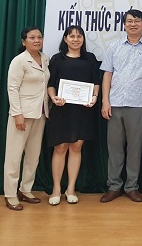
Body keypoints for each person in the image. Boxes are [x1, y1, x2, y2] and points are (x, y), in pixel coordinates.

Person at [99, 9, 142, 203]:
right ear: (124, 25)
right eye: (129, 21)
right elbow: (107, 74)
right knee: (114, 148)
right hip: (115, 103)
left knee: (135, 148)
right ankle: (114, 186)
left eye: (137, 21)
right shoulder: (114, 46)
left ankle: (132, 186)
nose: (133, 24)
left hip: (139, 103)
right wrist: (105, 101)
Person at [46, 25, 101, 205]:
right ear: (65, 39)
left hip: (83, 110)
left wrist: (94, 97)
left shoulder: (90, 58)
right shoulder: (57, 59)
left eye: (79, 36)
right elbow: (51, 84)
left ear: (83, 39)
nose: (76, 39)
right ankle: (56, 189)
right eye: (72, 36)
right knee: (60, 148)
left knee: (76, 147)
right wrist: (53, 97)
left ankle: (71, 188)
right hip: (62, 109)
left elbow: (95, 81)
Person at [3, 27, 50, 211]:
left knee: (33, 155)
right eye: (32, 38)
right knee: (14, 156)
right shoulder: (19, 61)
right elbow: (12, 88)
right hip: (22, 114)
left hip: (41, 113)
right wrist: (17, 114)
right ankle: (10, 194)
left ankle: (25, 189)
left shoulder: (45, 59)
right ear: (24, 42)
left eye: (39, 37)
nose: (36, 40)